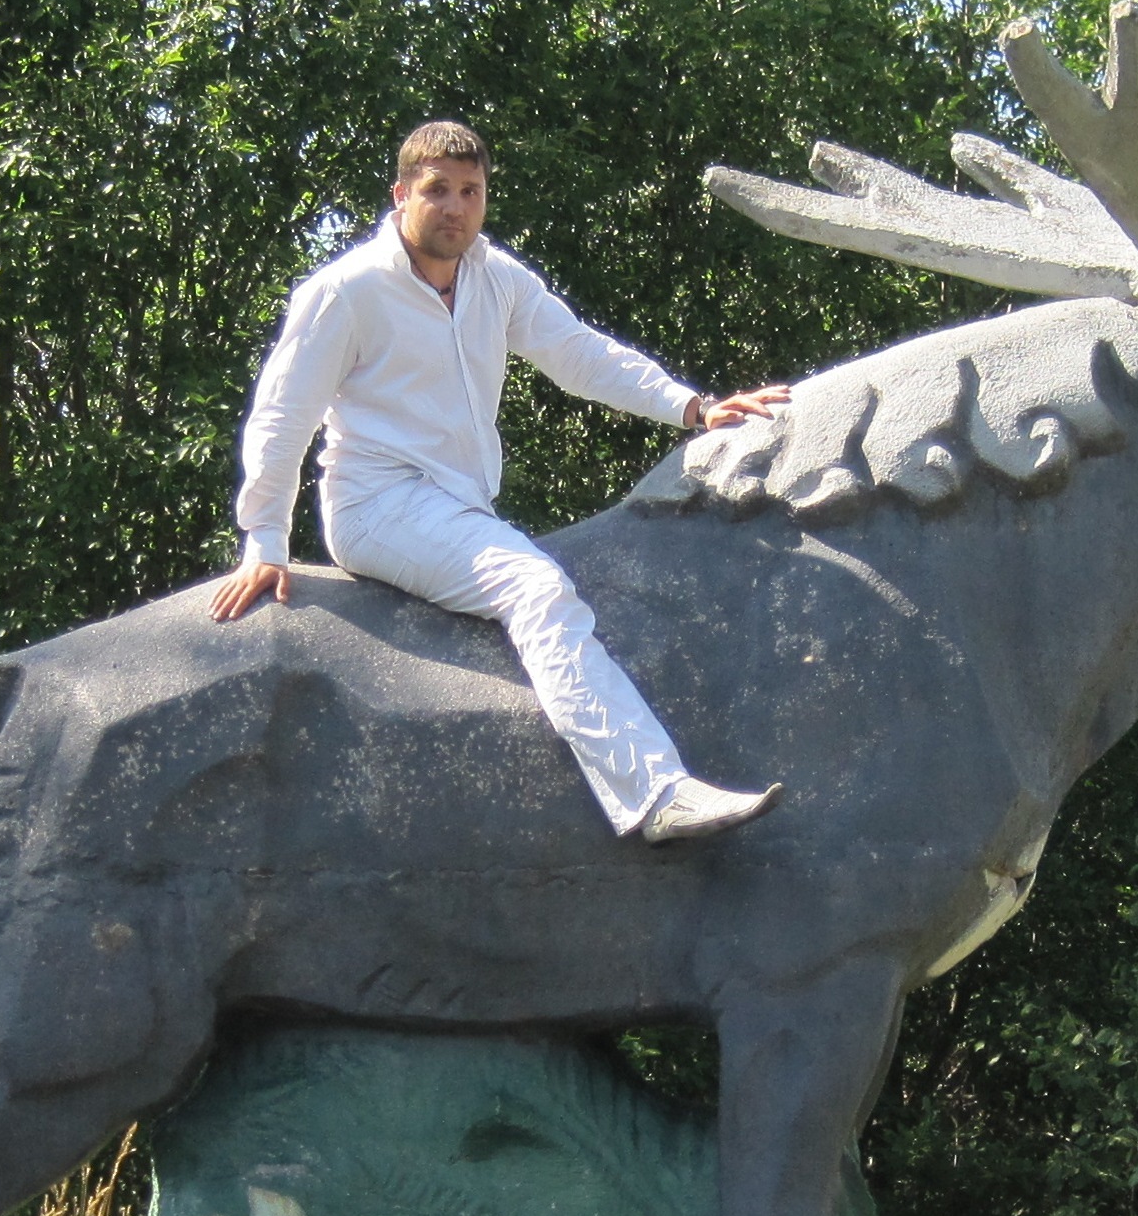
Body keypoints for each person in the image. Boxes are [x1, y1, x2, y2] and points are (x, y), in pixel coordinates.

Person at [215, 119, 791, 843]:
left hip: (460, 507)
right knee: (535, 586)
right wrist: (264, 538)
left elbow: (578, 353)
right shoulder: (346, 291)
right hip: (375, 506)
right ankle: (655, 797)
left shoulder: (496, 277)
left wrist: (694, 407)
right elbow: (282, 414)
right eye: (437, 190)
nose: (455, 208)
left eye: (471, 191)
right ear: (400, 195)